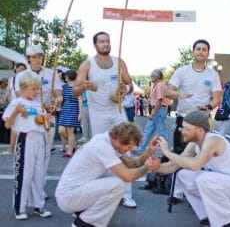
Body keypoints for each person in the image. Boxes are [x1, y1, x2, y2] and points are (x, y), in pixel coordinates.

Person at [154, 110, 230, 227]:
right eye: (183, 128)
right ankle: (209, 215)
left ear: (200, 130)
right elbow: (173, 166)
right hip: (229, 185)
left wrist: (167, 152)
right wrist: (154, 166)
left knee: (204, 179)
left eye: (187, 129)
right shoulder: (194, 144)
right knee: (182, 175)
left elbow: (196, 164)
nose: (182, 132)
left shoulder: (213, 141)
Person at [72, 31, 136, 208]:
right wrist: (85, 85)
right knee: (102, 152)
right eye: (102, 41)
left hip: (117, 110)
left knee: (126, 148)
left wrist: (126, 89)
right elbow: (74, 91)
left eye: (108, 41)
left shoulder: (119, 62)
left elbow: (130, 83)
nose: (106, 44)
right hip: (98, 112)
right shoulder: (87, 64)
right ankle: (102, 192)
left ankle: (126, 195)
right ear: (95, 45)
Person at [55, 122, 160, 227]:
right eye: (128, 146)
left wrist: (149, 152)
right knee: (118, 184)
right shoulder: (102, 146)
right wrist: (148, 168)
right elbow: (128, 176)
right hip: (68, 198)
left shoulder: (107, 140)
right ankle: (85, 223)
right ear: (119, 140)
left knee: (117, 173)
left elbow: (132, 164)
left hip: (73, 192)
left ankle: (84, 211)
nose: (130, 150)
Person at [165, 39, 222, 200]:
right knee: (180, 155)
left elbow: (217, 97)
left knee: (203, 157)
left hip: (202, 121)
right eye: (198, 49)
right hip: (184, 119)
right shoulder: (182, 71)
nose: (201, 52)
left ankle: (197, 192)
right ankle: (176, 193)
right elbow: (168, 91)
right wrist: (178, 95)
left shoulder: (212, 74)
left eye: (204, 49)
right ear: (193, 51)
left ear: (208, 53)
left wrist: (209, 107)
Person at [15, 44, 63, 200]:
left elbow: (59, 95)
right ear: (28, 59)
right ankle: (26, 189)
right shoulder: (21, 76)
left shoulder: (51, 73)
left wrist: (56, 102)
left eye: (39, 56)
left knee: (45, 155)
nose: (37, 59)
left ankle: (39, 188)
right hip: (29, 118)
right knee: (29, 156)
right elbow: (19, 97)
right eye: (34, 57)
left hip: (48, 117)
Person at [2, 72, 52, 220]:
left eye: (37, 89)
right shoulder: (16, 102)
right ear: (24, 87)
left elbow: (45, 126)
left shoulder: (38, 104)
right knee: (24, 174)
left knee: (39, 173)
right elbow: (7, 124)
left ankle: (38, 205)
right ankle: (20, 207)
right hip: (25, 139)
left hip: (40, 139)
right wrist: (16, 112)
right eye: (33, 88)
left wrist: (46, 119)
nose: (36, 91)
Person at [135, 69, 170, 154]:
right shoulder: (159, 85)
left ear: (157, 77)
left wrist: (153, 113)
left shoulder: (159, 85)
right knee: (148, 130)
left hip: (158, 110)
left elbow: (159, 100)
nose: (151, 78)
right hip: (158, 109)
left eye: (152, 76)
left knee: (161, 132)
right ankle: (139, 149)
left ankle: (168, 152)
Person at [0, 63, 27, 156]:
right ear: (16, 69)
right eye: (20, 68)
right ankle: (11, 149)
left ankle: (15, 149)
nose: (21, 70)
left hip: (23, 104)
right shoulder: (11, 79)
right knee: (13, 126)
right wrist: (3, 99)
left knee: (19, 127)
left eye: (23, 69)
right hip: (14, 105)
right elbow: (8, 92)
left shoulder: (26, 80)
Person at [58, 70, 82, 157]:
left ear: (69, 76)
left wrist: (80, 113)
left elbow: (80, 100)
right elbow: (60, 96)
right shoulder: (64, 86)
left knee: (70, 131)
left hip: (73, 108)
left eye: (66, 75)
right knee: (61, 130)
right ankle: (74, 144)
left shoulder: (77, 87)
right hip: (64, 108)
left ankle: (70, 151)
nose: (65, 77)